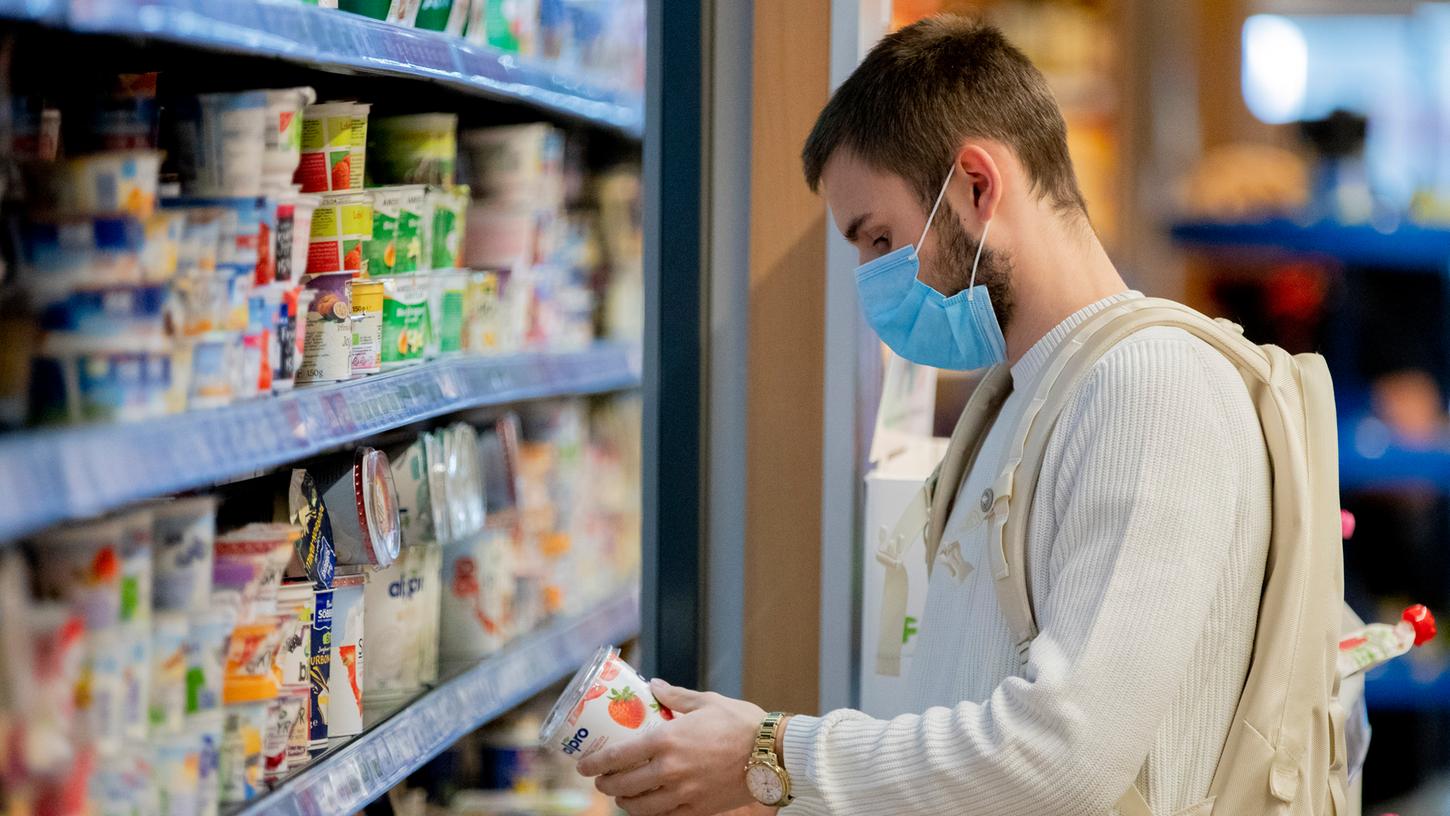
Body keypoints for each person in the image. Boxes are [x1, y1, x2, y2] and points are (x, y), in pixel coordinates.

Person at [578, 15, 1271, 816]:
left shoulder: (1150, 386)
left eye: (879, 238)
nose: (873, 278)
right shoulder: (1026, 394)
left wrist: (769, 754)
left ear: (976, 184)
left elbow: (1068, 753)